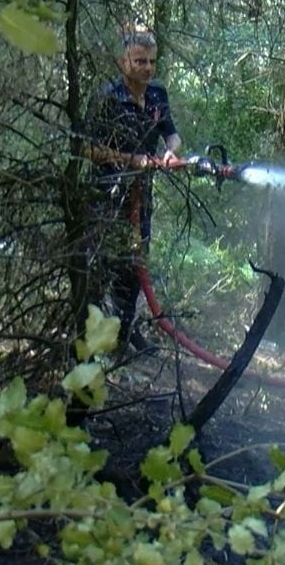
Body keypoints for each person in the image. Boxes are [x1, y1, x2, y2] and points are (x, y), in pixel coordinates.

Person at [83, 29, 182, 355]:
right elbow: (89, 148)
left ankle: (125, 331)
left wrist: (170, 151)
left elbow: (171, 133)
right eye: (139, 61)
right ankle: (94, 336)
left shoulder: (157, 95)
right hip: (107, 194)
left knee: (135, 264)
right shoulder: (107, 97)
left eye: (151, 62)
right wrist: (132, 160)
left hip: (143, 195)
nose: (146, 68)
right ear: (123, 60)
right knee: (104, 264)